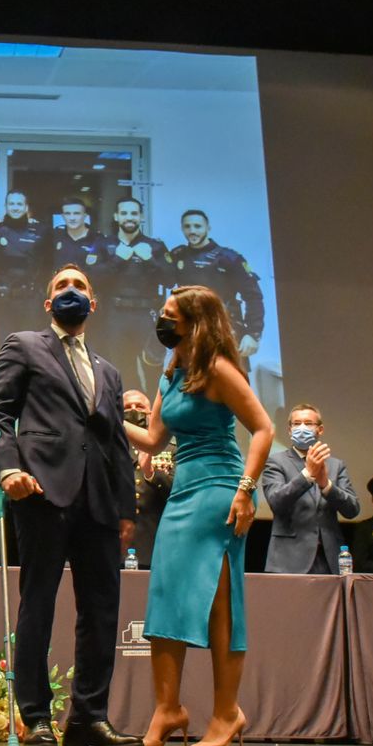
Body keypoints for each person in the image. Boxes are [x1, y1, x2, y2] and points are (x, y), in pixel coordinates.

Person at [0, 265, 141, 746]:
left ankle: (88, 718)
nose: (71, 292)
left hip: (98, 502)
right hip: (40, 492)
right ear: (47, 302)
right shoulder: (24, 345)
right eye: (61, 287)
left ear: (93, 304)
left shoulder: (110, 372)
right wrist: (8, 470)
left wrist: (126, 509)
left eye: (80, 288)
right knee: (39, 605)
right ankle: (34, 717)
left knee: (101, 611)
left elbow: (116, 444)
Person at [122, 285, 274, 746]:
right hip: (184, 490)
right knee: (165, 597)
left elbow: (264, 429)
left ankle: (227, 712)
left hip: (220, 489)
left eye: (170, 316)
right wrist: (103, 415)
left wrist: (247, 492)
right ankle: (168, 709)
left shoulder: (219, 370)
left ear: (195, 323)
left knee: (218, 605)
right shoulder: (171, 372)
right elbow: (151, 440)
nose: (162, 322)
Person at [260, 403, 361, 573]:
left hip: (329, 561)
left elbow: (353, 509)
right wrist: (307, 475)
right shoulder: (276, 462)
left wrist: (326, 485)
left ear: (320, 430)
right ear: (290, 430)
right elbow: (276, 501)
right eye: (296, 424)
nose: (302, 428)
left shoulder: (336, 465)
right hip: (289, 560)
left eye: (308, 423)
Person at [170, 209, 266, 370]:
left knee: (231, 386)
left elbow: (253, 297)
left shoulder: (229, 258)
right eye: (187, 226)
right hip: (189, 330)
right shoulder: (178, 255)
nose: (192, 230)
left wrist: (253, 334)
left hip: (226, 328)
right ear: (182, 229)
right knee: (191, 385)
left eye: (197, 226)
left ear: (208, 228)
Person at [96, 197, 174, 393]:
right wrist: (117, 259)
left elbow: (170, 279)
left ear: (140, 217)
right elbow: (94, 278)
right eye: (124, 213)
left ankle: (156, 419)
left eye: (133, 213)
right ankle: (127, 418)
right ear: (116, 216)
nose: (129, 218)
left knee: (153, 367)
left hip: (147, 316)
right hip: (116, 316)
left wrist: (150, 260)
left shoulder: (155, 247)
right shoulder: (105, 245)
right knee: (121, 369)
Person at [0, 190, 47, 351]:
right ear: (5, 206)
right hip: (2, 299)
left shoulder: (42, 231)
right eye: (11, 204)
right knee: (3, 348)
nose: (15, 207)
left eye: (19, 204)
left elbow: (47, 264)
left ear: (26, 207)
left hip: (30, 300)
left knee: (30, 349)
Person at [122, 388, 173, 569]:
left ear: (151, 414)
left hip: (155, 540)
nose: (134, 410)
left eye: (140, 406)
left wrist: (151, 473)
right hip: (116, 541)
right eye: (127, 407)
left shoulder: (169, 448)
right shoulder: (108, 445)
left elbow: (179, 492)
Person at [51, 196, 108, 274]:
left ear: (84, 216)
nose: (72, 218)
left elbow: (105, 271)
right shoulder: (54, 237)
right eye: (68, 214)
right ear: (63, 217)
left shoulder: (98, 239)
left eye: (76, 213)